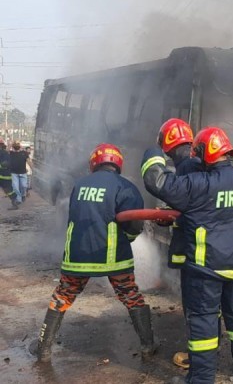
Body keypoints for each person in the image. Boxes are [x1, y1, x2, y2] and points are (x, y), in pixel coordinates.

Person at [142, 126, 233, 383]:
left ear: (201, 153)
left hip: (205, 271)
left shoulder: (197, 184)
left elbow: (157, 181)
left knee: (204, 323)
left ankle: (201, 379)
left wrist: (154, 151)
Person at [30, 143, 155, 362]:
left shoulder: (79, 185)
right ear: (118, 164)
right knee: (131, 296)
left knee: (62, 296)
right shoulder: (125, 187)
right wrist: (128, 239)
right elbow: (135, 225)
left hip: (76, 258)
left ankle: (43, 349)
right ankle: (148, 345)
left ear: (94, 163)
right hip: (113, 258)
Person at [155, 118, 203, 370]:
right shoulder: (195, 164)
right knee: (205, 305)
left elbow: (189, 208)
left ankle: (198, 357)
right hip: (205, 248)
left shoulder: (186, 168)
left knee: (195, 305)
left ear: (167, 145)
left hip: (194, 249)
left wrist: (174, 215)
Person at [8, 140, 31, 209]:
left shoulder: (24, 153)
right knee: (15, 187)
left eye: (17, 144)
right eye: (15, 144)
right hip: (14, 173)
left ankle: (23, 195)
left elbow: (29, 161)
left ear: (20, 145)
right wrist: (11, 144)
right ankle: (19, 199)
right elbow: (7, 150)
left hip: (23, 173)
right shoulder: (11, 153)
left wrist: (33, 168)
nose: (16, 145)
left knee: (24, 186)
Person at [0, 139, 17, 206]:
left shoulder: (3, 153)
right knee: (7, 189)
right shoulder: (4, 152)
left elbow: (6, 164)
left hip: (4, 176)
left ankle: (14, 200)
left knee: (8, 189)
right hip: (3, 175)